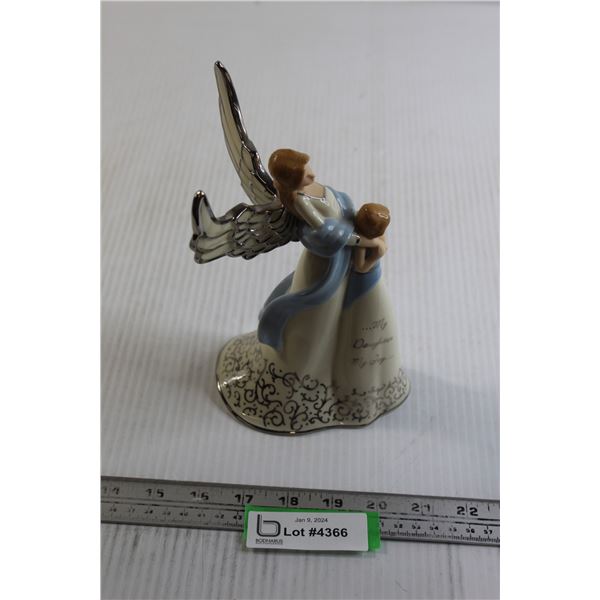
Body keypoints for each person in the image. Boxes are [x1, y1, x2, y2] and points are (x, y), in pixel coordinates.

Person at [215, 148, 410, 433]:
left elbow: (339, 208)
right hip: (325, 265)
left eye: (309, 169)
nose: (313, 175)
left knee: (344, 317)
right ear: (293, 180)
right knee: (317, 319)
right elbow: (326, 231)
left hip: (342, 262)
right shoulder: (300, 201)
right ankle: (303, 373)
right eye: (306, 173)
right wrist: (367, 242)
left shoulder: (313, 189)